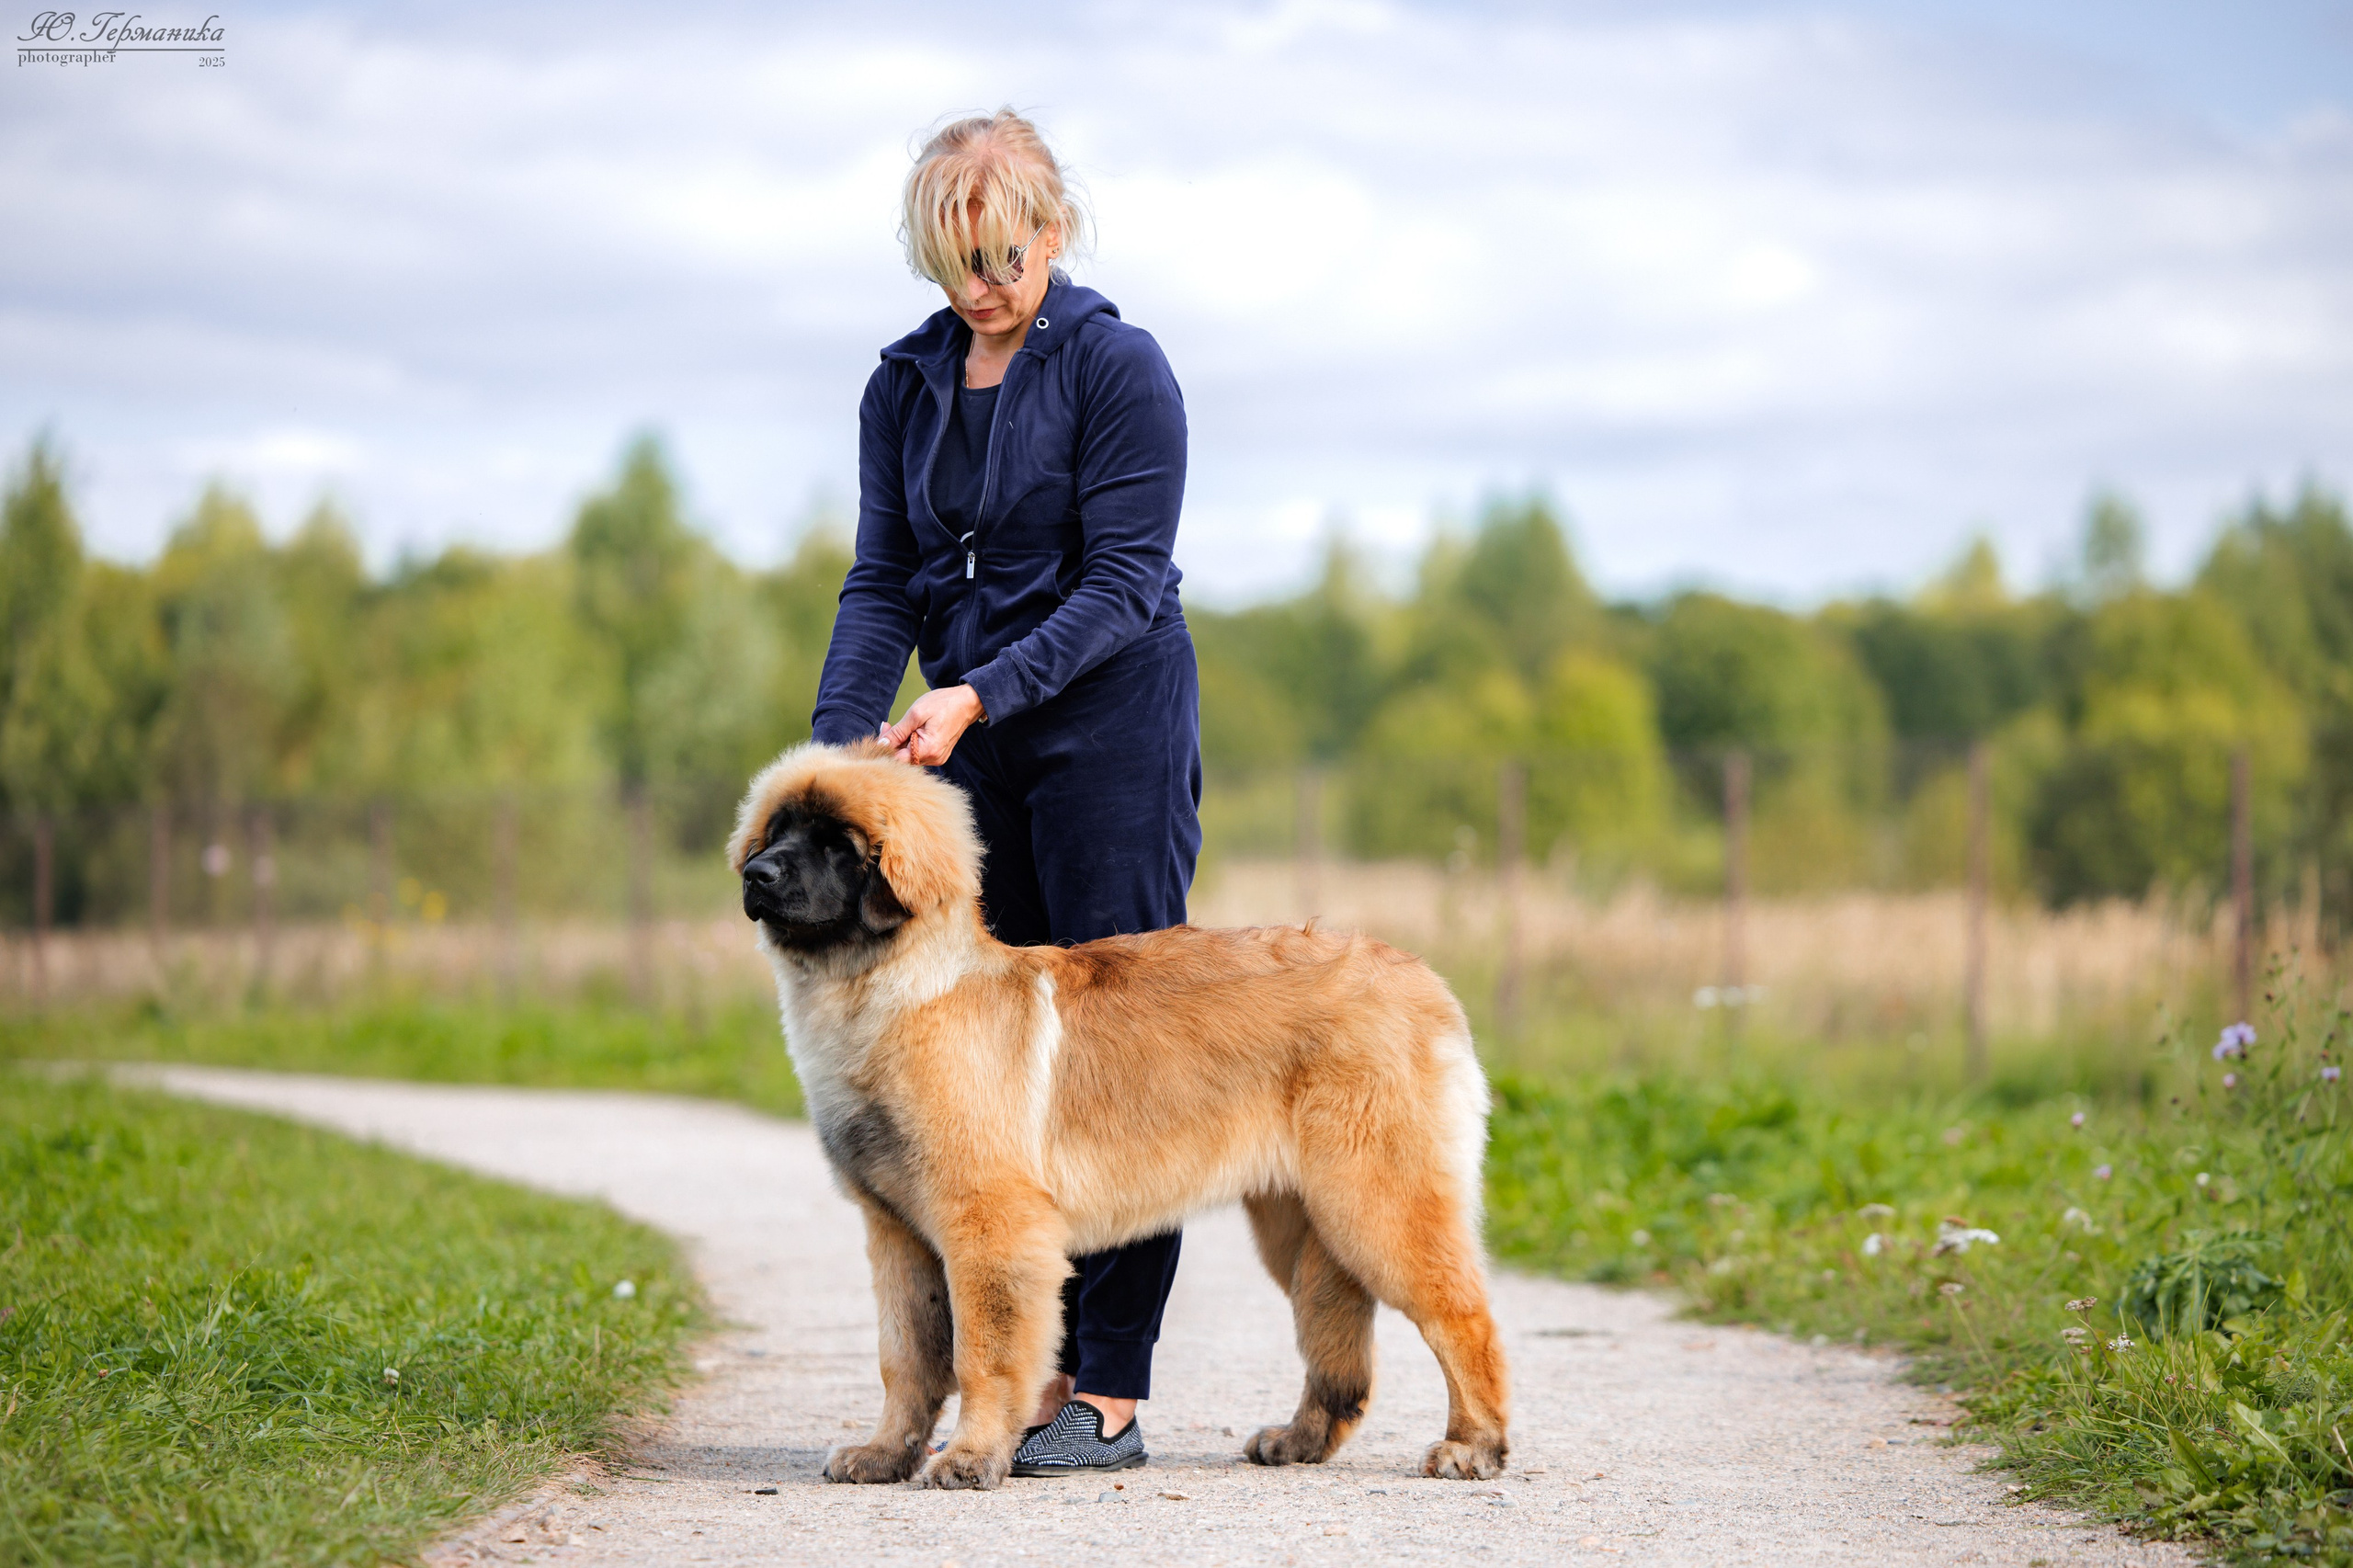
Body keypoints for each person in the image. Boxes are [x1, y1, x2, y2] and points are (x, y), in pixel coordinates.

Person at [808, 108, 1199, 1478]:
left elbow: (1123, 582)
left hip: (1108, 724)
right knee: (993, 1077)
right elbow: (883, 582)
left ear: (1055, 225)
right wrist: (841, 746)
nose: (985, 279)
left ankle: (1112, 1388)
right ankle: (1018, 1374)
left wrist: (981, 688)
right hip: (965, 739)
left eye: (1009, 247)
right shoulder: (902, 387)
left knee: (1119, 1049)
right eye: (959, 256)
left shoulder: (1119, 368)